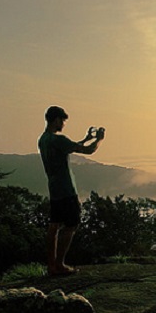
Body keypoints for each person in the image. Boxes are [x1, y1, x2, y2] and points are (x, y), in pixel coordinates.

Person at [38, 106, 105, 275]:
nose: (63, 124)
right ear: (56, 120)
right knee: (71, 225)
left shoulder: (43, 139)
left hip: (54, 189)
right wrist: (98, 139)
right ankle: (60, 264)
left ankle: (51, 266)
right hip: (67, 189)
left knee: (54, 227)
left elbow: (71, 146)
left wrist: (85, 138)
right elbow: (88, 150)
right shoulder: (58, 139)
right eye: (62, 121)